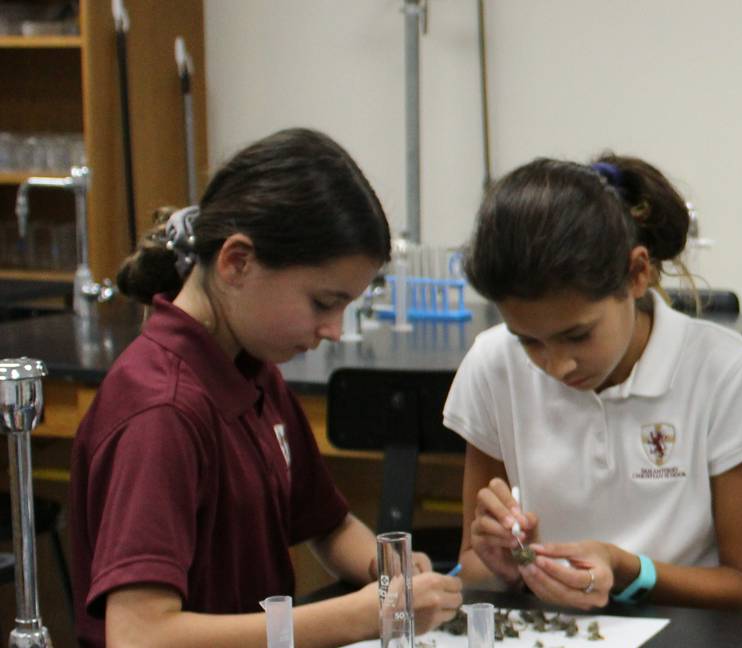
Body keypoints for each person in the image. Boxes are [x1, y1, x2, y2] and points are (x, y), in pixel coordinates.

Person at [68, 128, 463, 648]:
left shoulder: (253, 372)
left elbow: (328, 524)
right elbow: (141, 634)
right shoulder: (162, 410)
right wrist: (364, 615)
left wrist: (390, 575)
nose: (335, 331)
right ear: (237, 262)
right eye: (324, 303)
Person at [446, 155, 742, 613]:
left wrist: (627, 570)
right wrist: (500, 561)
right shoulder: (492, 363)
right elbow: (476, 571)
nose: (557, 366)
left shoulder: (723, 371)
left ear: (637, 273)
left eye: (577, 335)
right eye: (529, 341)